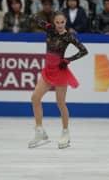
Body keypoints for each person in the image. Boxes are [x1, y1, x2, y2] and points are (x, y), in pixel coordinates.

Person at [28, 11, 88, 149]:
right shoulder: (49, 28)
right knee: (35, 98)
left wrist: (68, 60)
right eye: (57, 22)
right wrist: (34, 14)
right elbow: (35, 19)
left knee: (60, 103)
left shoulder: (69, 37)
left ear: (65, 22)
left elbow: (84, 51)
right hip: (48, 70)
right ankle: (39, 131)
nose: (60, 25)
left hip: (60, 71)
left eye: (62, 22)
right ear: (53, 22)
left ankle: (65, 132)